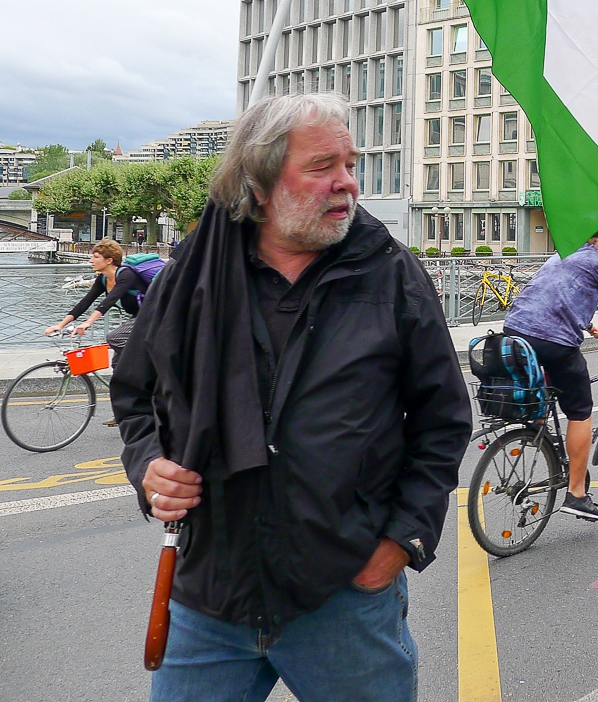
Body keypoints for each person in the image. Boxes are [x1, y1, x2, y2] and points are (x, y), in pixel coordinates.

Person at [111, 94, 473, 702]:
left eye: (350, 164)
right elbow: (134, 390)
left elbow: (442, 420)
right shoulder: (192, 275)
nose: (347, 184)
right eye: (322, 166)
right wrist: (148, 466)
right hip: (210, 595)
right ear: (259, 184)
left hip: (342, 595)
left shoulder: (389, 274)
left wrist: (398, 544)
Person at [502, 218, 598, 520]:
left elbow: (553, 295)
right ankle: (577, 494)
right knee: (580, 410)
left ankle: (537, 423)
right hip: (554, 341)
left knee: (548, 376)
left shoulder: (563, 251)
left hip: (514, 332)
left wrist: (589, 326)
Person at [46, 238, 145, 363]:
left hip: (154, 314)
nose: (90, 260)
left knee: (114, 338)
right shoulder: (103, 279)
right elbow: (85, 302)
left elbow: (109, 301)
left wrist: (88, 322)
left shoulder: (126, 275)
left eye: (96, 257)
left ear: (109, 260)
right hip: (138, 316)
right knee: (117, 365)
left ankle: (146, 366)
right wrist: (60, 325)